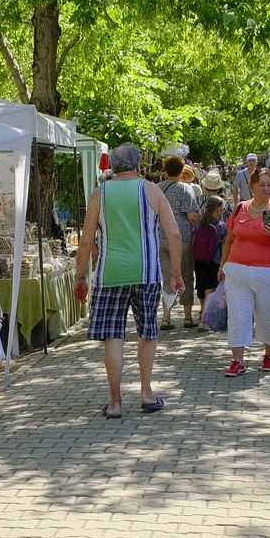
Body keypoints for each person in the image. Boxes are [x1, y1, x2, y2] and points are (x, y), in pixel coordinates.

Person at [73, 143, 185, 417]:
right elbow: (175, 235)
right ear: (137, 166)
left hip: (109, 274)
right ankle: (146, 393)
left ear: (112, 166)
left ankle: (115, 402)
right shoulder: (152, 190)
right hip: (146, 273)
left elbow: (86, 240)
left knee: (114, 336)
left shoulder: (100, 193)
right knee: (147, 333)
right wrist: (176, 273)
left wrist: (80, 276)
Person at [220, 167, 270, 375]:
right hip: (237, 271)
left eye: (269, 185)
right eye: (261, 185)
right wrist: (222, 266)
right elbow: (230, 239)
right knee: (238, 315)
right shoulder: (239, 209)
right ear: (251, 186)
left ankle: (269, 355)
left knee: (267, 314)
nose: (266, 189)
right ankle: (237, 361)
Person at [158, 154, 205, 329]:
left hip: (160, 237)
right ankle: (187, 317)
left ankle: (166, 317)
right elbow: (192, 215)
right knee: (185, 276)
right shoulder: (186, 189)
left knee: (167, 278)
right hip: (181, 238)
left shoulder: (157, 188)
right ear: (181, 170)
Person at [192, 197, 225, 308]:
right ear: (218, 209)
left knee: (202, 287)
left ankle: (202, 310)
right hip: (214, 260)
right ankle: (204, 318)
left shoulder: (198, 225)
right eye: (223, 209)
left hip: (199, 260)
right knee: (211, 288)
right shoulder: (220, 226)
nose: (224, 211)